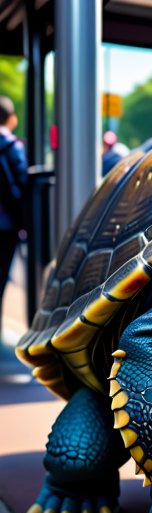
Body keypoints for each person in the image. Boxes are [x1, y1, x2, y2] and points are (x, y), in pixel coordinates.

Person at [0, 96, 27, 340]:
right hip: (5, 226)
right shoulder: (11, 146)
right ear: (11, 118)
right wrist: (25, 223)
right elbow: (19, 188)